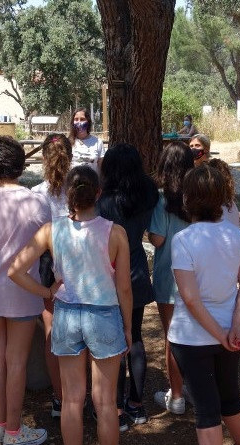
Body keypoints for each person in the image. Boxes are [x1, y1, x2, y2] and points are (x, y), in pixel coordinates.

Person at [9, 165, 131, 445]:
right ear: (99, 194)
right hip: (104, 315)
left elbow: (15, 270)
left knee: (72, 401)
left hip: (66, 316)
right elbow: (124, 290)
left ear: (69, 196)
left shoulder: (52, 230)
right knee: (105, 402)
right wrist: (129, 329)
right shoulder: (115, 233)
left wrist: (46, 292)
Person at [168, 165, 240, 445]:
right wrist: (234, 326)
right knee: (229, 392)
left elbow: (190, 299)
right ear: (223, 197)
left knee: (206, 407)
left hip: (192, 338)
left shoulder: (184, 240)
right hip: (229, 334)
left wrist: (222, 332)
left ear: (188, 198)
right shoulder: (235, 235)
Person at [0, 136, 51, 445]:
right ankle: (14, 430)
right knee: (15, 361)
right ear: (21, 165)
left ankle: (4, 424)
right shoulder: (36, 201)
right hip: (22, 289)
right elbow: (48, 243)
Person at [97, 143, 158, 430]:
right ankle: (137, 404)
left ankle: (116, 407)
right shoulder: (148, 194)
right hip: (137, 270)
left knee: (114, 342)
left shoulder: (105, 201)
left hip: (110, 274)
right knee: (135, 337)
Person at [149, 142, 193, 415]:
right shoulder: (199, 194)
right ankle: (195, 389)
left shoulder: (161, 199)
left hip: (169, 275)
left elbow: (158, 237)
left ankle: (176, 396)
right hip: (198, 275)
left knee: (172, 337)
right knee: (196, 335)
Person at [30, 133, 72, 417]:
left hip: (48, 267)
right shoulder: (80, 189)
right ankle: (81, 395)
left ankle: (60, 398)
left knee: (52, 333)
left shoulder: (34, 193)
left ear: (44, 158)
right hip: (79, 265)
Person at [69, 108, 105, 172]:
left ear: (88, 121)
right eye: (76, 119)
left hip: (93, 181)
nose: (79, 122)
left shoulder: (98, 142)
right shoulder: (68, 142)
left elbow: (102, 169)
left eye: (82, 119)